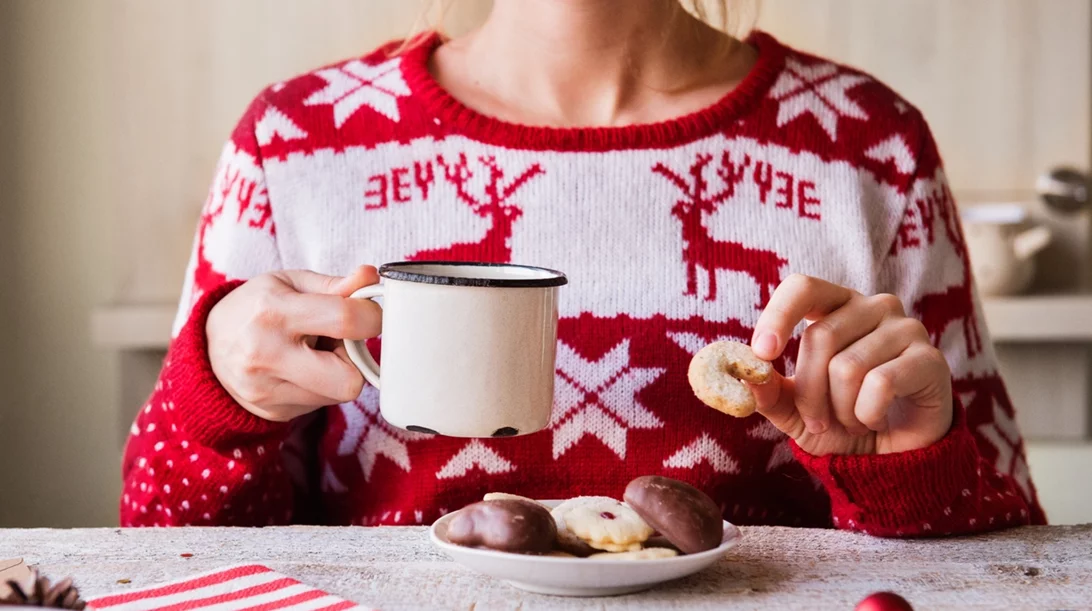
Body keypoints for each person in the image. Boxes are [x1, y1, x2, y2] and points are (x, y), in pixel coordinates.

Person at [120, 0, 1046, 534]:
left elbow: (1007, 564)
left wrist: (907, 469)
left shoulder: (868, 145)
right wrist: (215, 402)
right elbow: (163, 548)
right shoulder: (296, 144)